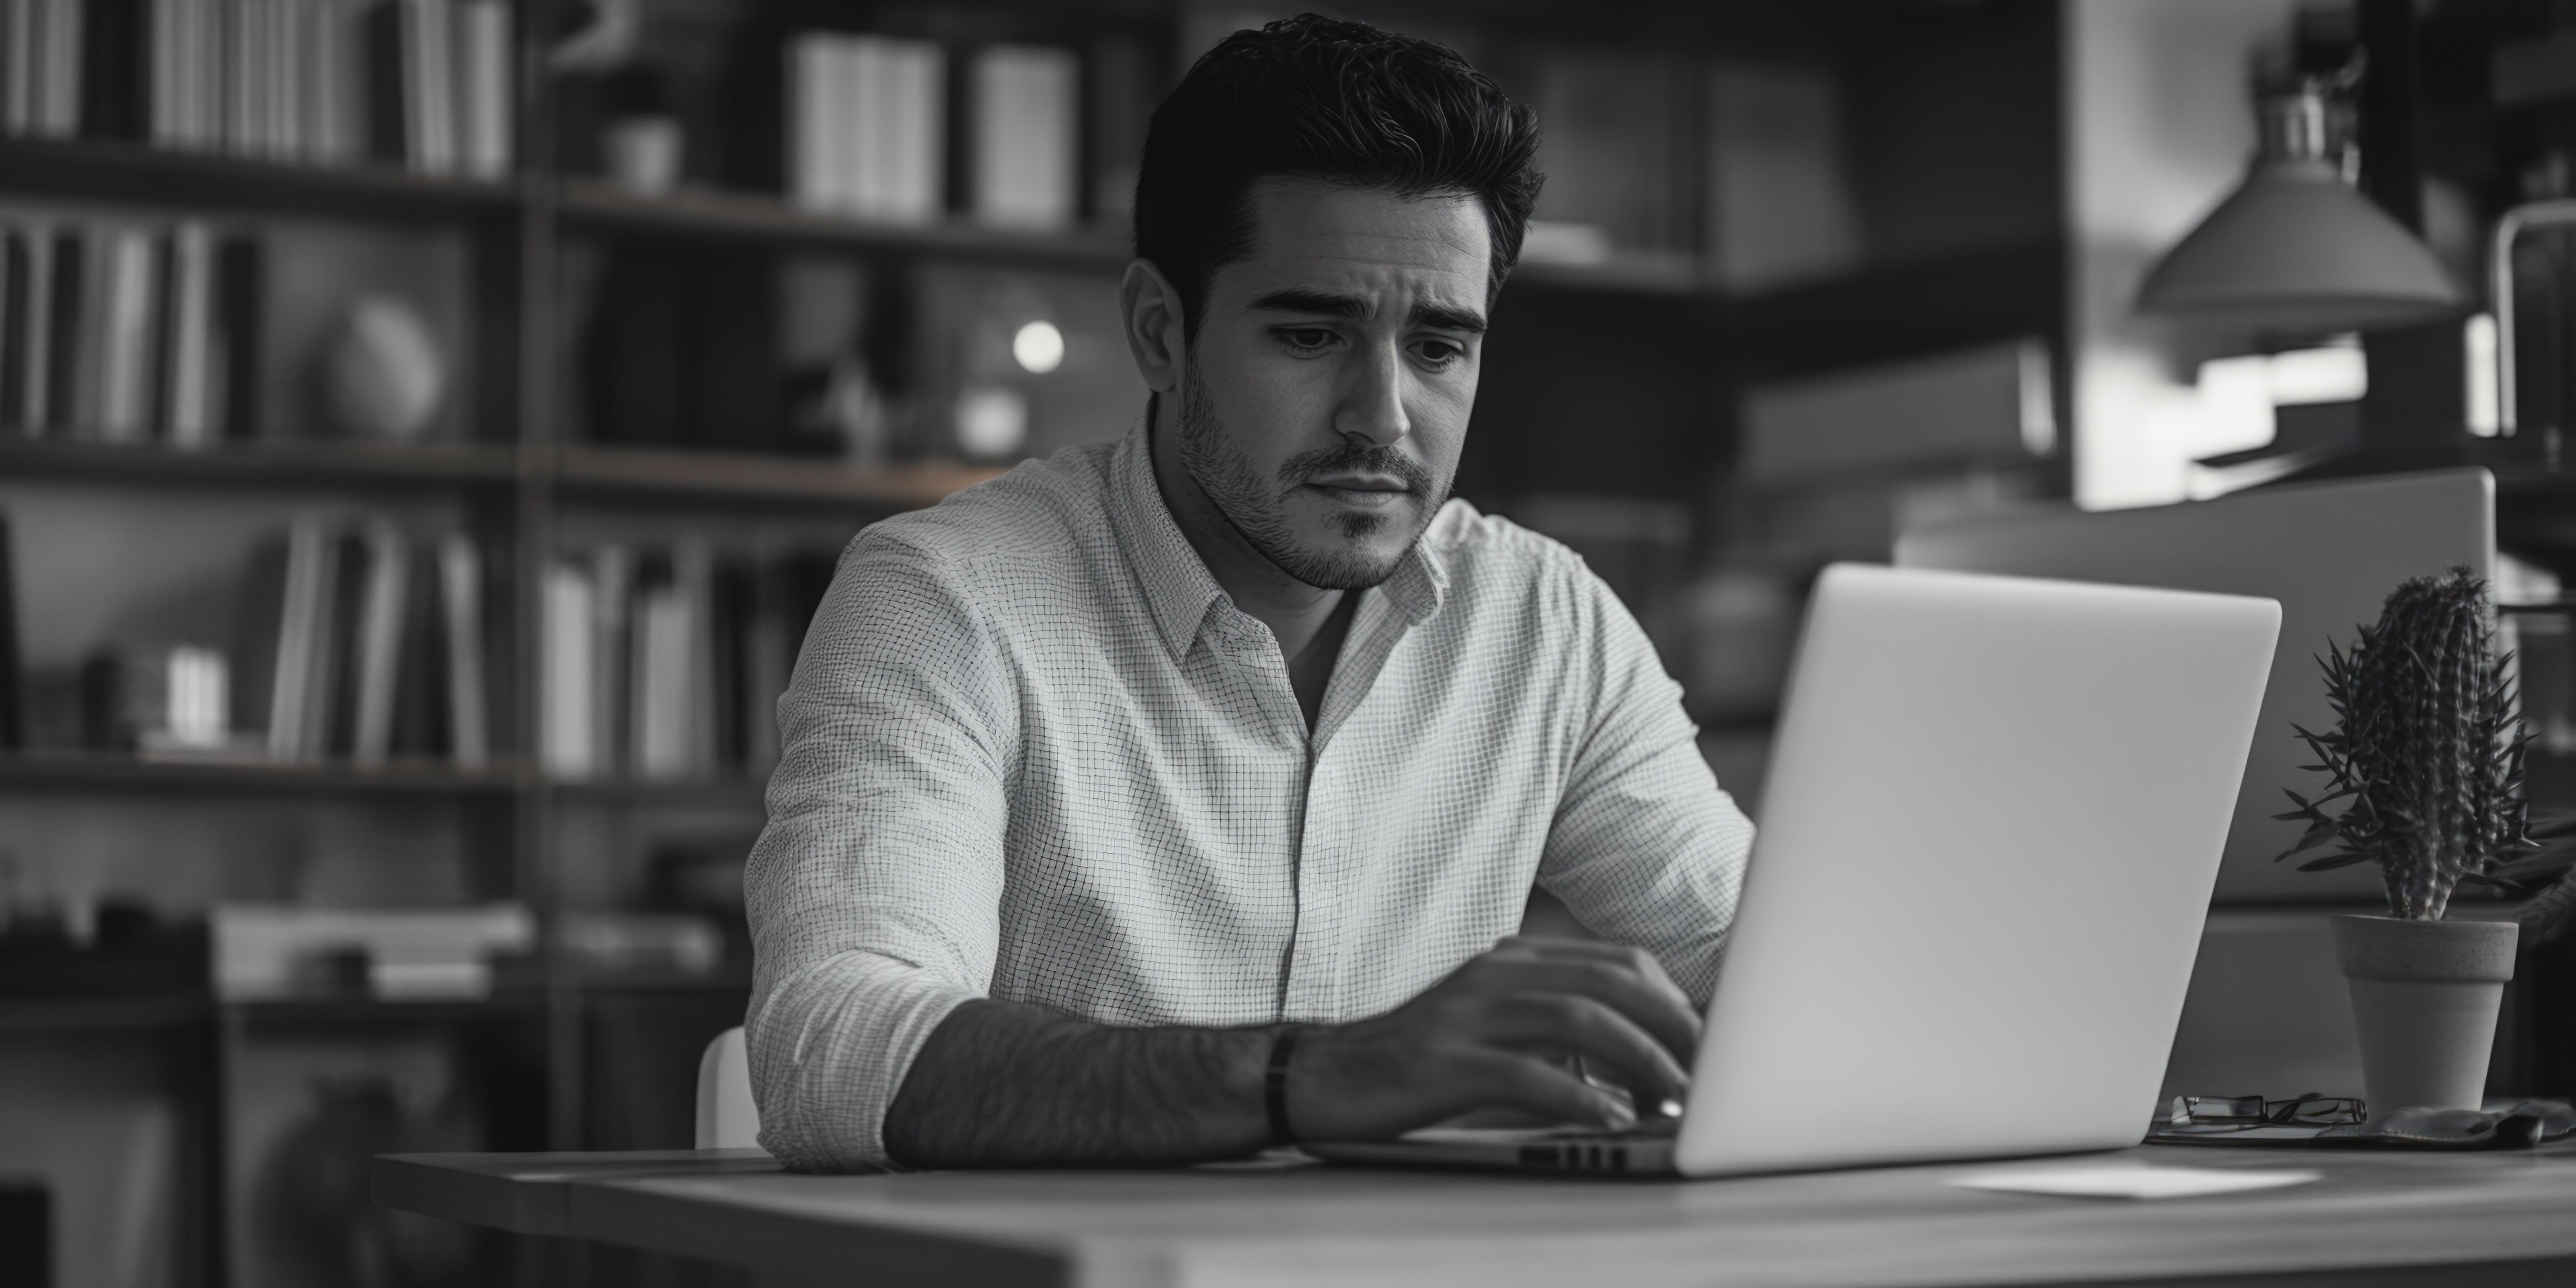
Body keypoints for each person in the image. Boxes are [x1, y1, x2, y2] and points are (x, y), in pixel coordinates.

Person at [743, 14, 1754, 1171]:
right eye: (1313, 333)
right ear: (1160, 333)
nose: (1381, 419)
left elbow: (1766, 967)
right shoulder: (948, 599)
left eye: (1438, 348)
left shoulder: (1545, 624)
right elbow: (832, 1052)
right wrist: (1318, 1076)